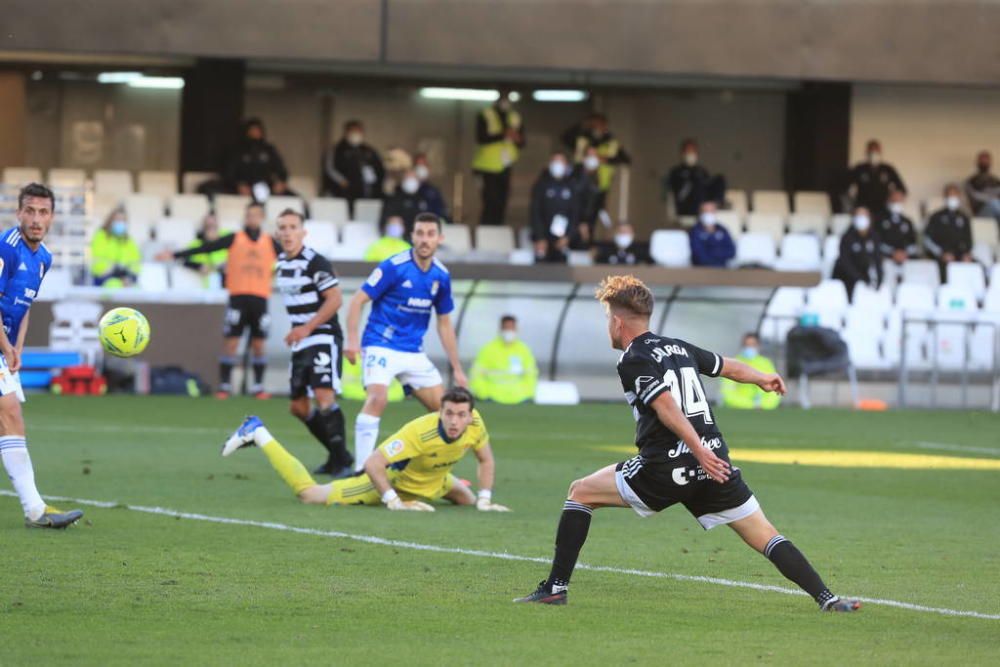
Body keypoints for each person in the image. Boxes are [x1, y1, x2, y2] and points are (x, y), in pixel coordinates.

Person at [513, 275, 859, 612]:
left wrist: (697, 450)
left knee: (580, 493)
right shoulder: (677, 346)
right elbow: (727, 367)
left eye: (607, 318)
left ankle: (555, 589)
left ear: (618, 322)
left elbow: (665, 405)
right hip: (714, 464)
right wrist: (762, 378)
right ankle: (826, 598)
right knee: (765, 534)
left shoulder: (633, 358)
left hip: (667, 465)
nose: (608, 326)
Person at [221, 387, 509, 512]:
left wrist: (485, 498)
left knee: (470, 503)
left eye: (461, 415)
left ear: (470, 415)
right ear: (440, 412)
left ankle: (466, 492)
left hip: (436, 481)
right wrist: (394, 501)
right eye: (448, 413)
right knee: (310, 496)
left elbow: (486, 459)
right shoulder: (419, 431)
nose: (455, 421)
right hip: (399, 483)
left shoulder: (476, 424)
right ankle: (258, 433)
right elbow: (373, 464)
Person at [343, 212, 468, 472]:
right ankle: (361, 471)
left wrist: (456, 367)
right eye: (420, 233)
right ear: (412, 236)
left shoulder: (441, 276)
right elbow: (357, 301)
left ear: (439, 239)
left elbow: (444, 323)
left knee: (447, 411)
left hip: (412, 351)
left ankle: (424, 469)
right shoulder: (393, 266)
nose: (424, 240)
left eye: (430, 234)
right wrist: (352, 340)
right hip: (380, 343)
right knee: (378, 398)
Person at [0, 184, 83, 528]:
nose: (36, 219)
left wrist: (17, 346)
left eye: (43, 212)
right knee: (10, 413)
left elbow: (25, 305)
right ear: (18, 213)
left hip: (4, 346)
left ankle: (35, 508)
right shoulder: (7, 249)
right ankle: (34, 508)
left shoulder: (43, 258)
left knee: (10, 419)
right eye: (30, 211)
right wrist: (6, 347)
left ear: (52, 217)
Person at [159, 202, 280, 398]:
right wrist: (175, 254)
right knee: (231, 342)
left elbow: (292, 258)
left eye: (256, 215)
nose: (252, 219)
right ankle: (224, 385)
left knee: (259, 344)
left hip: (260, 298)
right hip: (238, 297)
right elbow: (207, 248)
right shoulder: (235, 239)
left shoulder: (270, 242)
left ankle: (258, 387)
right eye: (249, 215)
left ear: (262, 218)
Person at [271, 209, 354, 477]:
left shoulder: (315, 262)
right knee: (298, 407)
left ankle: (342, 462)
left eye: (292, 227)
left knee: (323, 395)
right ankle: (336, 455)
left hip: (323, 335)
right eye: (282, 227)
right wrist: (299, 331)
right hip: (302, 339)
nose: (287, 232)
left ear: (303, 232)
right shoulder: (281, 264)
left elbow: (335, 299)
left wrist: (306, 327)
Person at [472, 91, 524, 226]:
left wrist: (517, 138)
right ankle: (486, 231)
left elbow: (522, 142)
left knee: (502, 202)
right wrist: (503, 134)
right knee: (490, 202)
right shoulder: (486, 114)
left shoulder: (515, 117)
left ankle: (497, 229)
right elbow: (480, 138)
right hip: (486, 167)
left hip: (505, 166)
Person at [562, 113, 630, 215]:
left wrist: (603, 159)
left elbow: (625, 159)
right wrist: (582, 125)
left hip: (601, 183)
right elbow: (565, 138)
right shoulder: (583, 137)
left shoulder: (610, 140)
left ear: (605, 125)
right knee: (575, 208)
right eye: (594, 124)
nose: (597, 127)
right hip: (579, 180)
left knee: (593, 211)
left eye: (599, 124)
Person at [469, 315, 538, 405]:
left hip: (520, 399)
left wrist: (528, 394)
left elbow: (531, 374)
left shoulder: (524, 350)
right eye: (506, 328)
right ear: (500, 329)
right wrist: (483, 394)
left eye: (511, 328)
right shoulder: (488, 349)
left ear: (516, 329)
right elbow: (476, 374)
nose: (509, 331)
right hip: (492, 398)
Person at [323, 120, 385, 208]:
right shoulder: (337, 150)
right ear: (346, 132)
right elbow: (330, 169)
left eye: (359, 131)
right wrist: (342, 182)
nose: (356, 134)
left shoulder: (368, 150)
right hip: (344, 192)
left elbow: (379, 169)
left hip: (367, 192)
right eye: (353, 131)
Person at [530, 152, 579, 263]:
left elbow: (575, 213)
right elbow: (535, 212)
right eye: (555, 161)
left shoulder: (572, 186)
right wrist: (540, 237)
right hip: (543, 238)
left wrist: (568, 236)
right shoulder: (541, 184)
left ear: (566, 165)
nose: (558, 165)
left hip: (563, 239)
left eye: (560, 161)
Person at [224, 118, 290, 199]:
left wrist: (280, 182)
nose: (255, 132)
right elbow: (229, 174)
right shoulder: (237, 150)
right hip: (244, 188)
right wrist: (238, 185)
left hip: (267, 188)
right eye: (252, 129)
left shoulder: (269, 149)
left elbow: (281, 170)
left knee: (294, 198)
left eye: (257, 129)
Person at [663, 139, 727, 217]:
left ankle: (713, 206)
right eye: (688, 151)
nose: (690, 154)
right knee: (696, 181)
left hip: (704, 203)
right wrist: (690, 178)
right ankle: (705, 208)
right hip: (687, 206)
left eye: (693, 151)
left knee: (719, 179)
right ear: (682, 153)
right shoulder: (676, 172)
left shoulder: (701, 171)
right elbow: (678, 193)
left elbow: (707, 187)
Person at [924, 184, 974, 280]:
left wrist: (967, 254)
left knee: (978, 266)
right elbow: (927, 240)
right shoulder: (936, 216)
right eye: (950, 196)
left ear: (959, 197)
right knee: (944, 271)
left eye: (955, 195)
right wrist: (941, 253)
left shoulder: (964, 217)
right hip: (942, 256)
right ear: (945, 197)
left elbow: (969, 239)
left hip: (961, 255)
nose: (952, 198)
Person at [846, 139, 905, 218]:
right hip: (863, 210)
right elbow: (845, 187)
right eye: (871, 152)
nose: (874, 154)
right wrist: (852, 205)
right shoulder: (859, 169)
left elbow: (901, 189)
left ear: (880, 152)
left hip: (883, 209)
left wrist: (894, 197)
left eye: (876, 151)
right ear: (867, 152)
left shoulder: (887, 169)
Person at [833, 207, 883, 299]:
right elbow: (845, 263)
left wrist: (879, 280)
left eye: (864, 216)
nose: (862, 219)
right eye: (859, 216)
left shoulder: (874, 237)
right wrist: (860, 280)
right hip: (844, 279)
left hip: (864, 278)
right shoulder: (847, 237)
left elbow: (877, 260)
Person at [720, 333, 781, 410]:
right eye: (747, 345)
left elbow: (774, 391)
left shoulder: (766, 363)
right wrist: (751, 405)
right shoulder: (732, 364)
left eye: (753, 345)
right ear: (742, 346)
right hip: (739, 410)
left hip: (764, 411)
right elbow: (727, 393)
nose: (749, 347)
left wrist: (764, 405)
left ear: (758, 346)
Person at [90, 208, 141, 287]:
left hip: (126, 278)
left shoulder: (128, 240)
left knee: (136, 289)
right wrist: (110, 269)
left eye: (123, 220)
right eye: (118, 219)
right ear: (111, 221)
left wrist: (130, 275)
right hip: (104, 277)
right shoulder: (101, 236)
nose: (120, 223)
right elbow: (97, 259)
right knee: (114, 286)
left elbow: (136, 262)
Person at [570, 146, 605, 248]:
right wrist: (582, 221)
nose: (592, 158)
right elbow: (576, 201)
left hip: (589, 222)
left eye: (595, 156)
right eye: (590, 155)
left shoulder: (596, 177)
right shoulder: (576, 175)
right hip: (576, 224)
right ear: (584, 158)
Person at [181, 214, 229, 288]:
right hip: (205, 286)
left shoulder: (227, 239)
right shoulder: (196, 244)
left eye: (213, 225)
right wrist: (198, 266)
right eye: (208, 225)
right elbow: (183, 260)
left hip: (228, 284)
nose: (211, 227)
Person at [379, 169, 432, 236]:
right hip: (399, 240)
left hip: (419, 238)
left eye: (413, 178)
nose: (410, 181)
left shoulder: (423, 199)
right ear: (403, 180)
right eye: (408, 178)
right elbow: (384, 222)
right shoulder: (394, 198)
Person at [876, 190, 919, 265]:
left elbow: (914, 243)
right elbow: (876, 241)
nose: (897, 203)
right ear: (888, 201)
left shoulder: (908, 222)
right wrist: (893, 253)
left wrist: (904, 253)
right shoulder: (879, 220)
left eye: (900, 201)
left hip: (906, 261)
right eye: (894, 201)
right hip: (885, 261)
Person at [689, 201, 736, 267]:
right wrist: (719, 253)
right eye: (706, 211)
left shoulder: (722, 229)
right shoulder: (695, 231)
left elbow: (731, 252)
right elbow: (699, 256)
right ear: (700, 213)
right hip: (701, 270)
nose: (709, 214)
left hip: (723, 269)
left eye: (711, 211)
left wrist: (712, 252)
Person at [964, 150, 1000, 222]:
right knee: (994, 203)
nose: (984, 163)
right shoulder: (971, 181)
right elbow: (974, 196)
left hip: (996, 211)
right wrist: (992, 198)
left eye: (986, 161)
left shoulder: (996, 181)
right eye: (982, 160)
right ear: (978, 162)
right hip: (980, 212)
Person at [413, 153, 449, 220]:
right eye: (419, 166)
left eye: (424, 165)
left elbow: (441, 212)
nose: (421, 169)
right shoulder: (407, 190)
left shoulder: (433, 191)